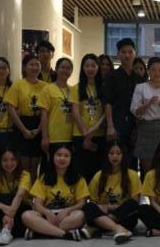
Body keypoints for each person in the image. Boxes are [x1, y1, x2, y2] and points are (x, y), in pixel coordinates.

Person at [22, 144, 88, 241]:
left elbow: (82, 203)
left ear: (71, 159)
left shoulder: (78, 178)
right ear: (53, 157)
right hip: (47, 216)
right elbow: (37, 204)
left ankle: (40, 231)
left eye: (66, 156)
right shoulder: (44, 178)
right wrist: (47, 213)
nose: (62, 158)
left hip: (67, 215)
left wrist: (68, 210)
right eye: (59, 155)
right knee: (26, 216)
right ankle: (65, 234)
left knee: (80, 215)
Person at [84, 141, 141, 244]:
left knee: (132, 204)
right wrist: (105, 209)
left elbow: (135, 201)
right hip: (103, 214)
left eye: (118, 153)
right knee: (88, 207)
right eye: (111, 153)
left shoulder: (132, 175)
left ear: (123, 156)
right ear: (107, 156)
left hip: (122, 216)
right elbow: (94, 202)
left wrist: (108, 207)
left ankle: (99, 227)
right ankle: (118, 229)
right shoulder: (99, 175)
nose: (115, 156)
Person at [130, 57, 160, 173]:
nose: (157, 73)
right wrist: (148, 104)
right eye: (153, 70)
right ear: (148, 71)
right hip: (146, 128)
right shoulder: (140, 87)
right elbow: (135, 111)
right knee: (147, 167)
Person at [5, 54, 47, 179]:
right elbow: (11, 108)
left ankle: (33, 191)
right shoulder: (18, 85)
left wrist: (39, 129)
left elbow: (46, 111)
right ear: (24, 67)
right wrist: (24, 130)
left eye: (37, 65)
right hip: (21, 125)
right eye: (31, 64)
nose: (34, 67)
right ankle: (23, 190)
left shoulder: (46, 86)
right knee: (23, 167)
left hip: (39, 124)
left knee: (34, 167)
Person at [104, 38, 144, 167]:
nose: (127, 55)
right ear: (118, 55)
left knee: (132, 162)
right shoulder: (111, 77)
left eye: (130, 52)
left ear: (135, 54)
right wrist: (110, 126)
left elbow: (142, 105)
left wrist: (139, 127)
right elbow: (108, 103)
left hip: (134, 127)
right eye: (123, 52)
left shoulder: (140, 79)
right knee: (115, 162)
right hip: (117, 125)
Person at [0, 147, 33, 246]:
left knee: (11, 197)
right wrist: (5, 208)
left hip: (20, 208)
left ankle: (6, 230)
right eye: (5, 160)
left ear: (18, 160)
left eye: (13, 159)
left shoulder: (25, 175)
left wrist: (10, 213)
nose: (9, 163)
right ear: (0, 161)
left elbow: (19, 196)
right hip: (3, 210)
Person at [73, 54, 106, 182]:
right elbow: (76, 112)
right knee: (81, 170)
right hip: (80, 135)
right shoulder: (76, 88)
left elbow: (106, 111)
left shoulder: (103, 87)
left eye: (93, 66)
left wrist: (96, 128)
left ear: (98, 68)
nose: (90, 69)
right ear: (83, 68)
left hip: (99, 134)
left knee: (97, 171)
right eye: (87, 66)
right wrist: (86, 134)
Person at [39, 58, 77, 168]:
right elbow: (44, 115)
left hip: (71, 137)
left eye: (68, 68)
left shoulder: (73, 90)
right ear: (56, 69)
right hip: (53, 138)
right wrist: (45, 137)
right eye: (62, 67)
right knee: (51, 169)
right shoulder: (47, 89)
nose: (65, 70)